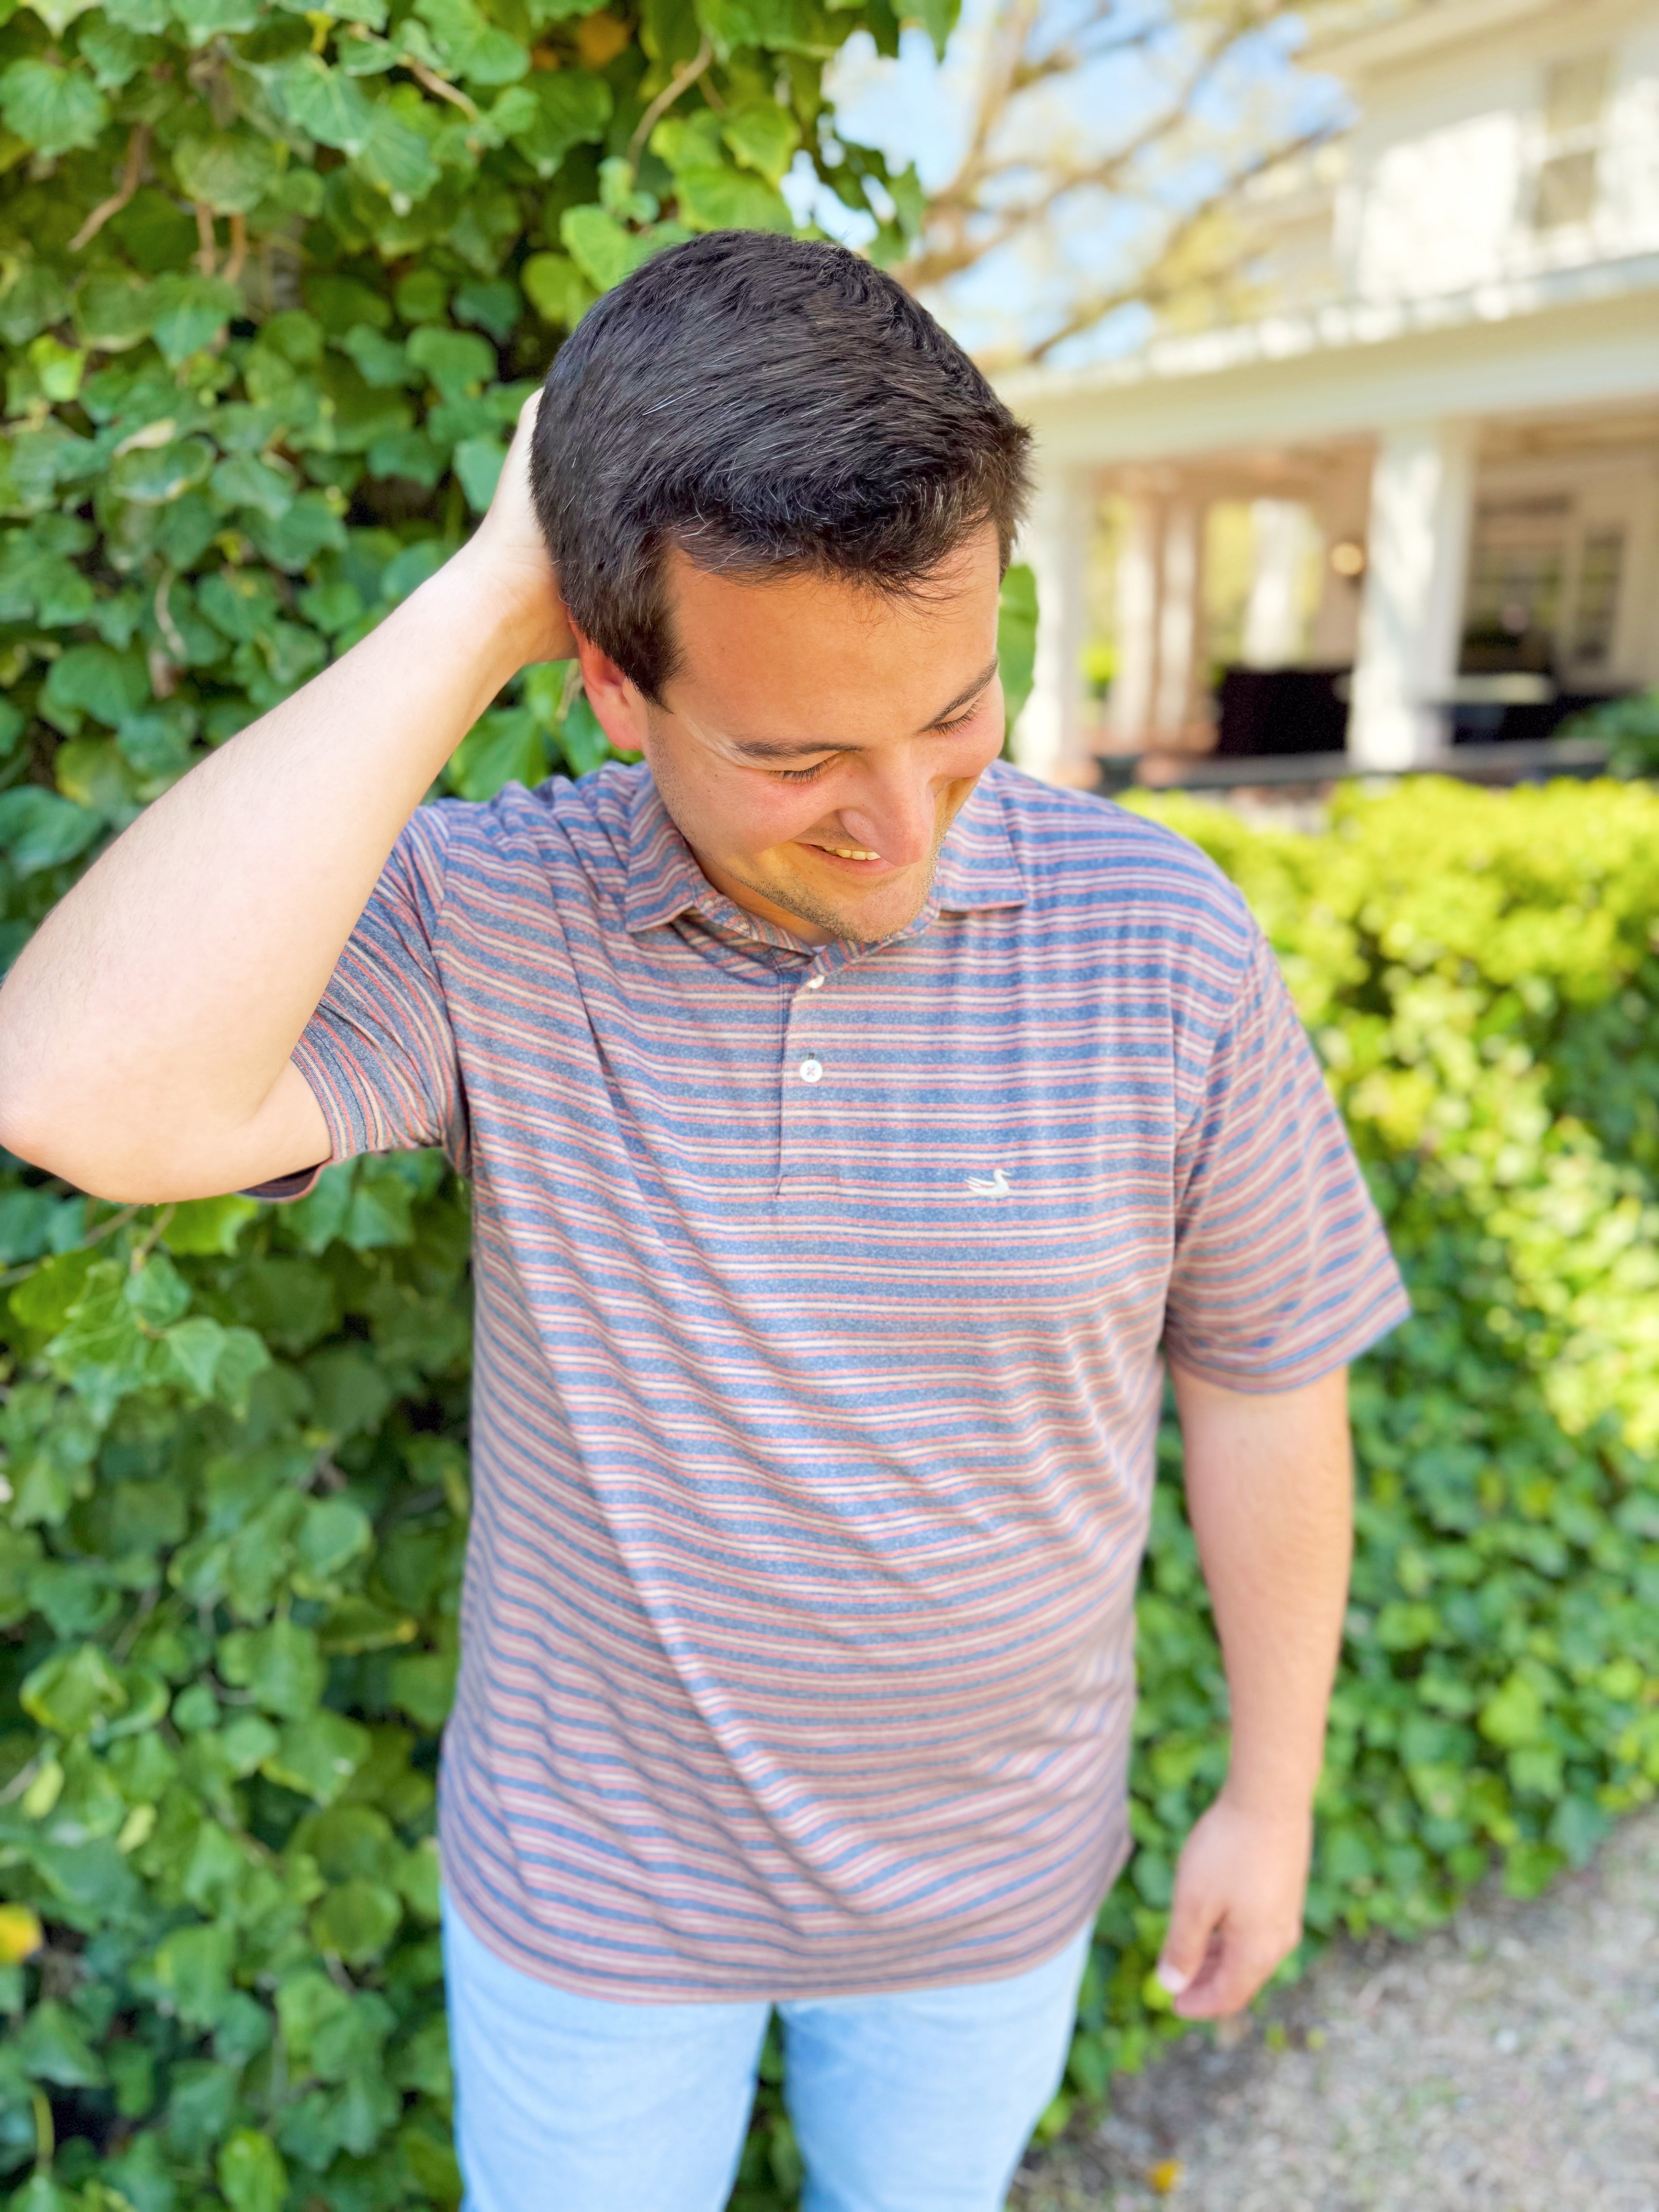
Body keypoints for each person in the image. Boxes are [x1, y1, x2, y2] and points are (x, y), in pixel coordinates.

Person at [0, 233, 1408, 2212]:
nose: (902, 822)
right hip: (593, 1907)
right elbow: (81, 1091)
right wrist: (498, 579)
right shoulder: (499, 919)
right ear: (607, 677)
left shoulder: (1161, 939)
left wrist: (1274, 1794)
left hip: (988, 1896)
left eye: (954, 711)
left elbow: (1265, 1379)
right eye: (797, 755)